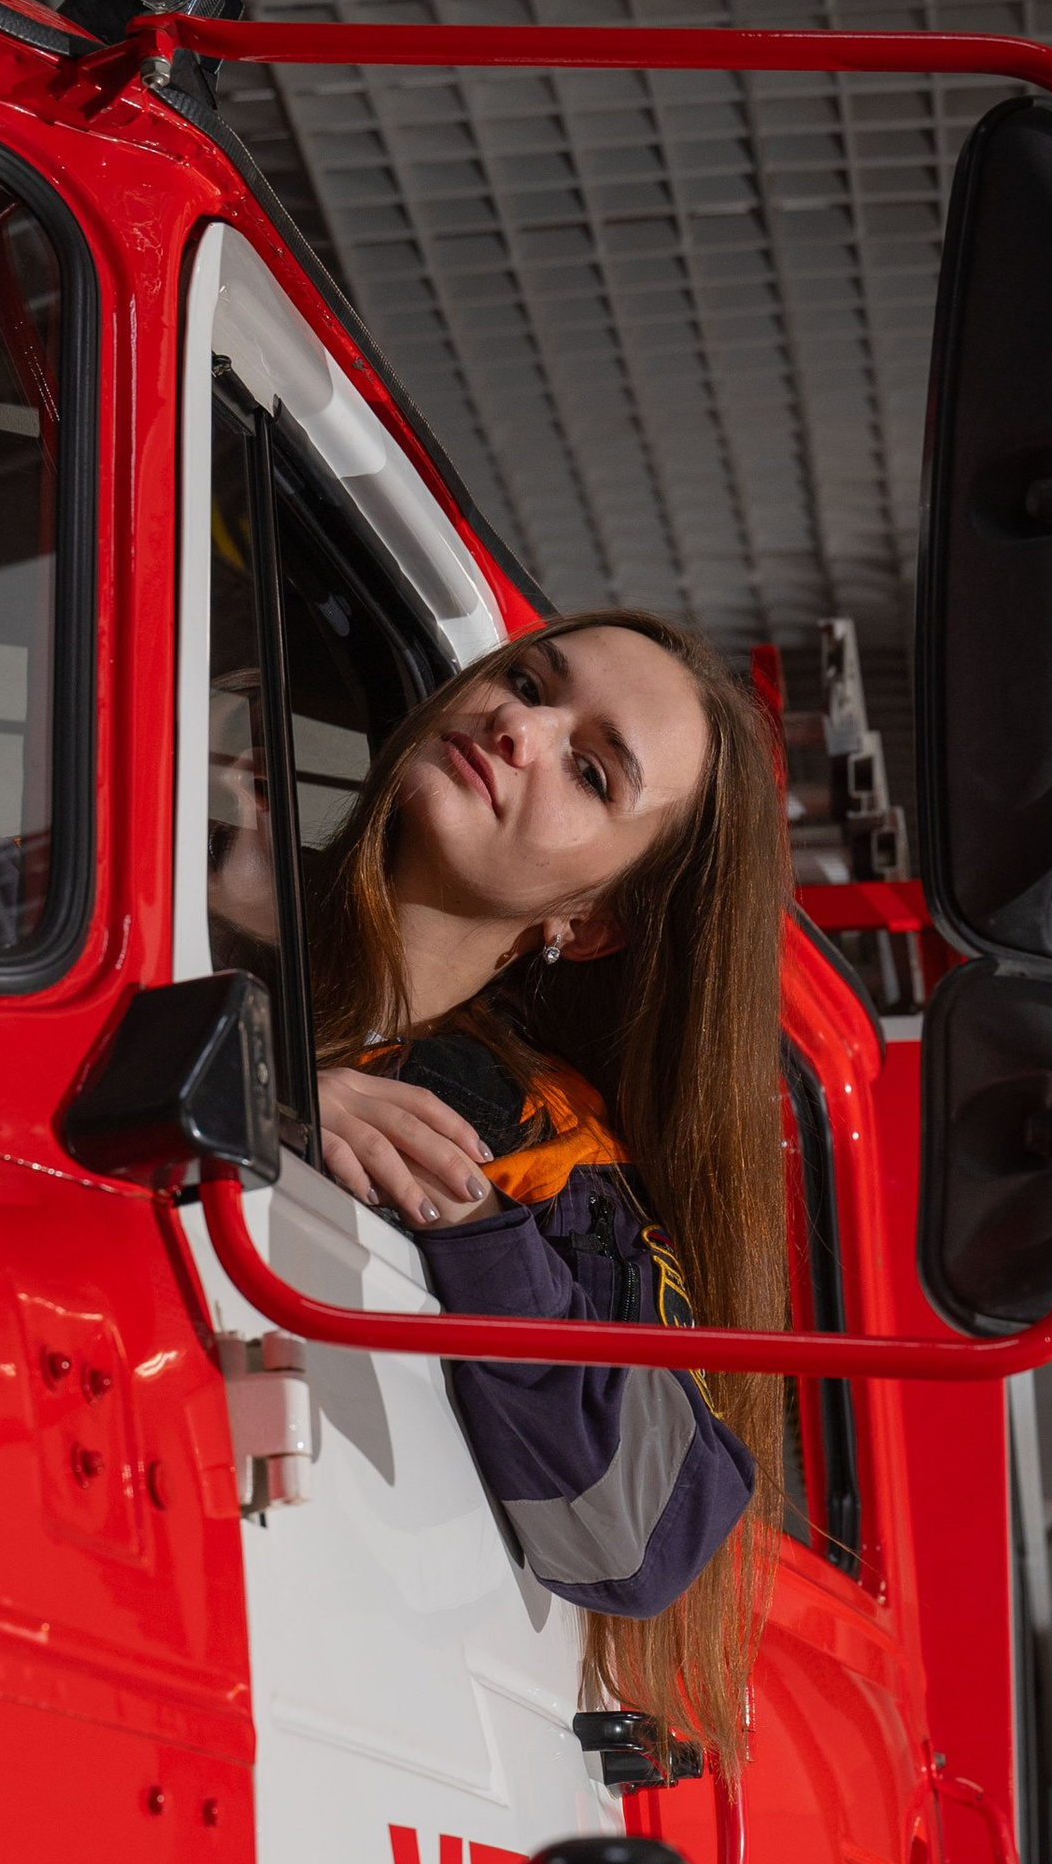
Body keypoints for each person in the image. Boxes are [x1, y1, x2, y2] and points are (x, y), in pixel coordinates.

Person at [305, 613, 788, 1771]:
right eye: (527, 682)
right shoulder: (169, 862)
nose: (517, 726)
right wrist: (257, 1088)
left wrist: (464, 1215)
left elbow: (641, 1527)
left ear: (596, 917)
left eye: (589, 769)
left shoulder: (537, 1145)